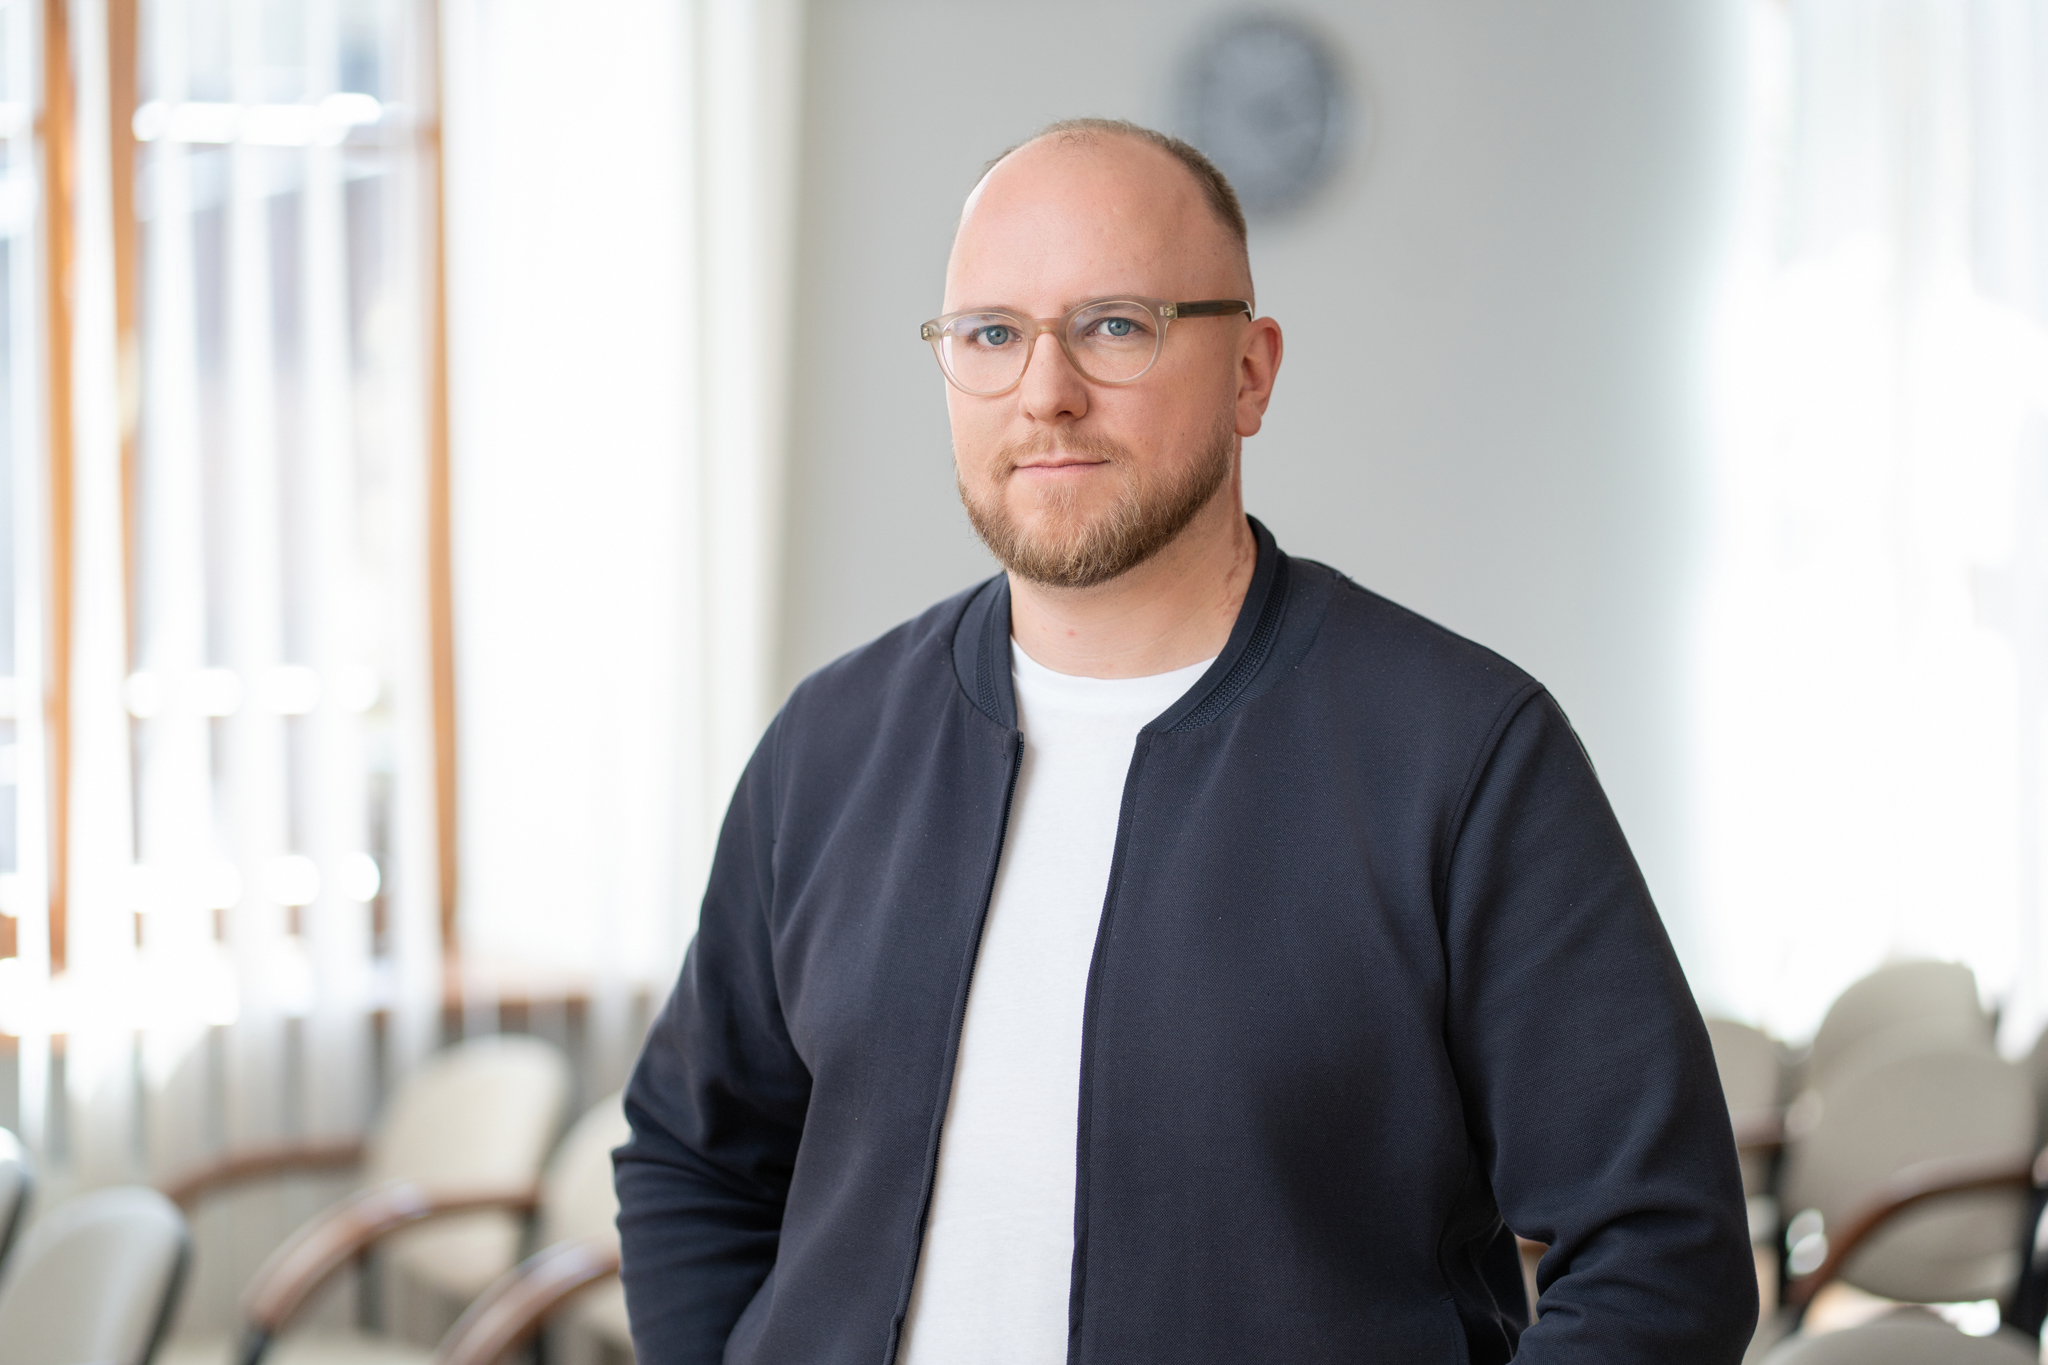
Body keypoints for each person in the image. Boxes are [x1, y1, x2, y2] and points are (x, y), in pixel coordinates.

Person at [616, 118, 1756, 1365]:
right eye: (992, 334)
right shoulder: (827, 747)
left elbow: (1660, 1251)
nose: (1045, 391)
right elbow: (691, 1154)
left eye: (1114, 325)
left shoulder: (1462, 757)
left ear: (1251, 372)